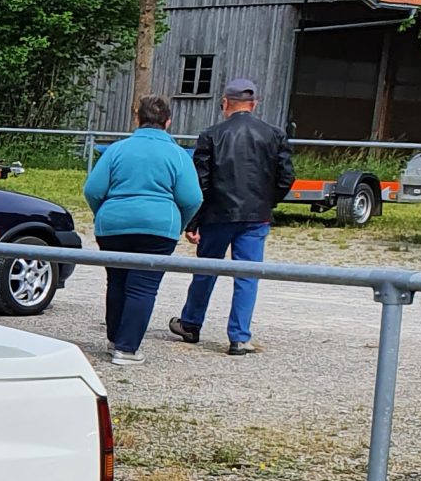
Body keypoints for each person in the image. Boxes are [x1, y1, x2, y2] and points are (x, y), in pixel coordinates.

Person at [169, 78, 293, 355]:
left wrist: (194, 220)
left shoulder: (211, 135)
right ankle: (239, 337)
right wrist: (267, 202)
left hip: (217, 214)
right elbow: (286, 177)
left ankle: (191, 323)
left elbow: (201, 182)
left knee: (206, 269)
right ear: (254, 104)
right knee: (248, 275)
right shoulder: (274, 135)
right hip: (256, 215)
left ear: (225, 103)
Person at [80, 95, 202, 366]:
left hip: (113, 226)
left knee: (116, 281)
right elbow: (192, 198)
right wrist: (178, 224)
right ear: (168, 122)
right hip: (158, 229)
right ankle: (127, 348)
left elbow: (92, 190)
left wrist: (104, 214)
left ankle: (114, 339)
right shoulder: (177, 154)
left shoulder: (117, 150)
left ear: (137, 119)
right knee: (143, 287)